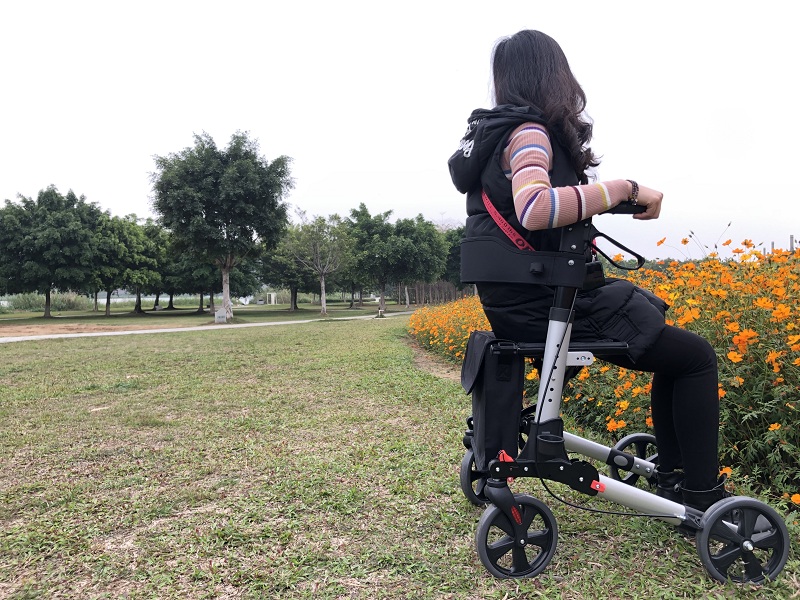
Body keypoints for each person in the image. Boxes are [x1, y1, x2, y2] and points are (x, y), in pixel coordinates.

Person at [448, 30, 727, 513]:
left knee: (672, 352)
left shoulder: (496, 142)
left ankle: (674, 472)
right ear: (554, 75)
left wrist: (612, 201)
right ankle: (699, 493)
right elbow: (535, 207)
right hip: (551, 306)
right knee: (695, 357)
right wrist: (622, 188)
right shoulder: (529, 133)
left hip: (521, 302)